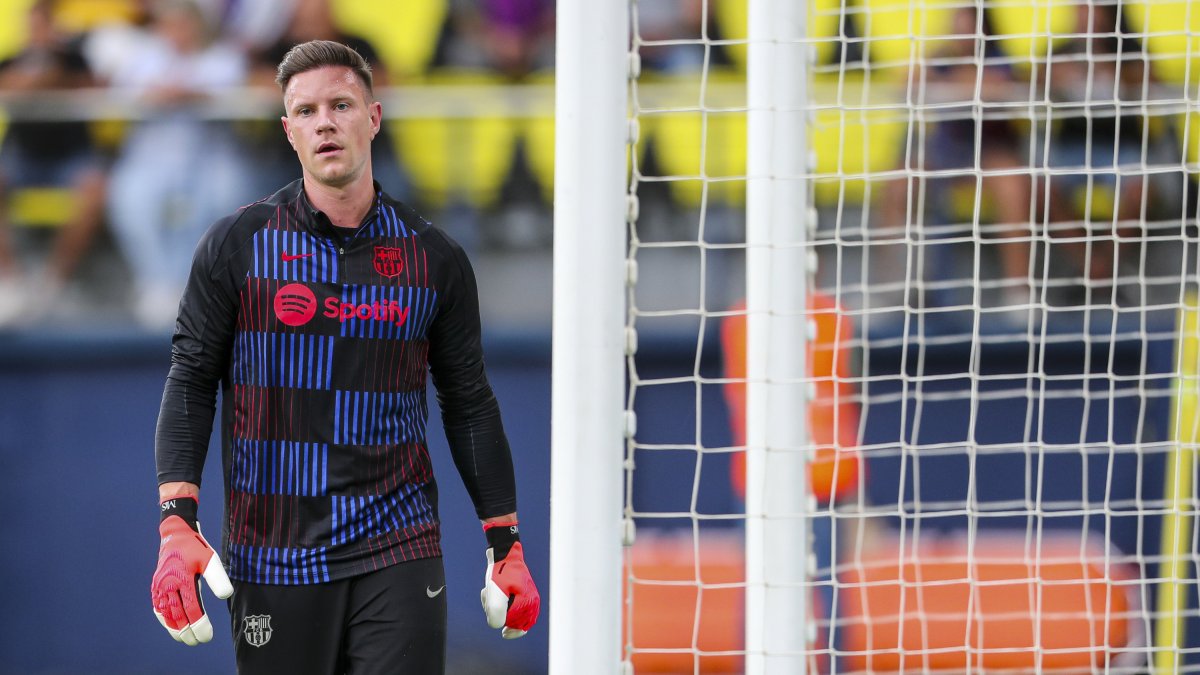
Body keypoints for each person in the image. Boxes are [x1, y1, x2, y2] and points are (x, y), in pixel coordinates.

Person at [148, 40, 540, 673]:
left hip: (398, 544)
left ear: (374, 117)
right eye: (305, 112)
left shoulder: (433, 258)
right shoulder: (237, 246)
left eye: (340, 104)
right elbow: (190, 381)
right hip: (271, 553)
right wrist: (176, 524)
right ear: (288, 132)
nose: (324, 122)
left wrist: (506, 542)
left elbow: (468, 402)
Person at [103, 0, 252, 328]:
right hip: (151, 156)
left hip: (211, 154)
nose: (177, 32)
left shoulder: (222, 57)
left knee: (222, 197)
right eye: (170, 25)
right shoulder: (142, 59)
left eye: (184, 24)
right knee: (131, 197)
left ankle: (193, 283)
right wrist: (153, 96)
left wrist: (191, 95)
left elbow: (235, 92)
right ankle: (157, 282)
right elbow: (119, 95)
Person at [0, 0, 109, 325]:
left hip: (72, 155)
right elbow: (9, 86)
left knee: (95, 189)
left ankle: (52, 282)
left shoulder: (77, 59)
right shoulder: (11, 60)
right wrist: (33, 81)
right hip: (22, 155)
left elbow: (95, 88)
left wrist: (52, 78)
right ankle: (10, 281)